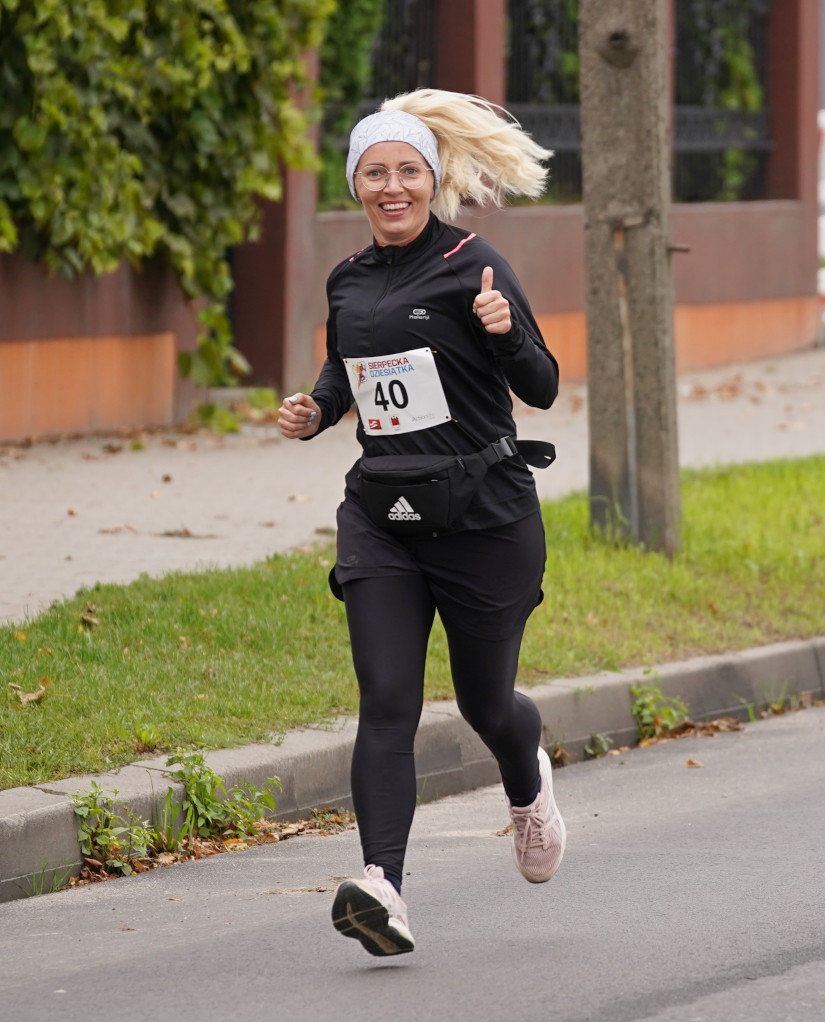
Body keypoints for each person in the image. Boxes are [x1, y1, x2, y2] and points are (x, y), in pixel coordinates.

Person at [277, 88, 565, 958]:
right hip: (384, 516)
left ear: (433, 180)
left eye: (408, 171)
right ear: (355, 185)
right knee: (387, 701)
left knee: (487, 703)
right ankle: (383, 888)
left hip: (485, 517)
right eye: (375, 173)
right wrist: (316, 410)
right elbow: (348, 372)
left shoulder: (477, 266)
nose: (392, 187)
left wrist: (506, 333)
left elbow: (543, 385)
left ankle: (528, 781)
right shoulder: (349, 278)